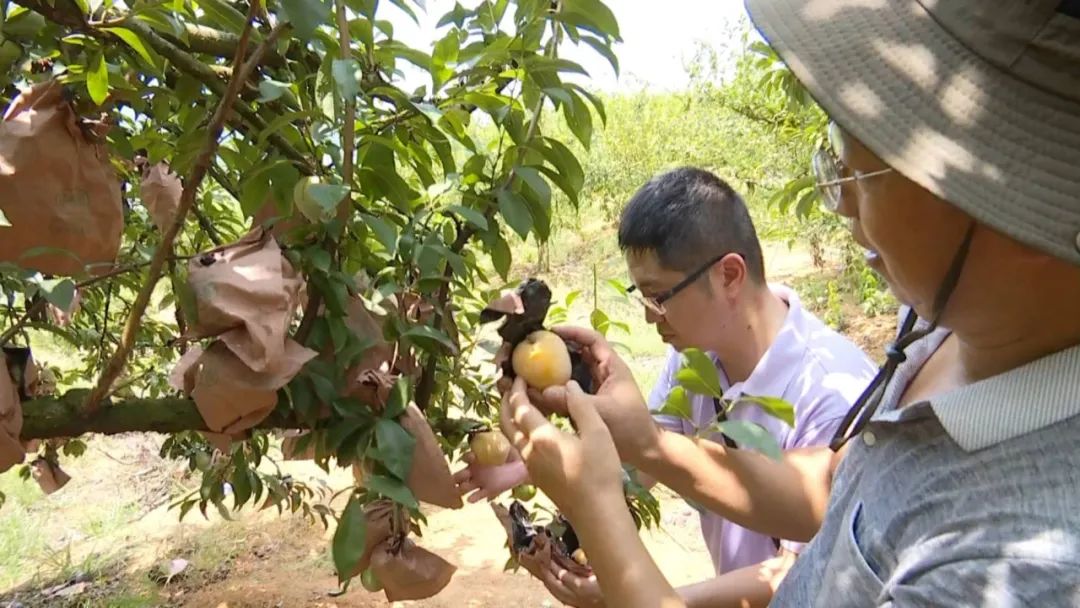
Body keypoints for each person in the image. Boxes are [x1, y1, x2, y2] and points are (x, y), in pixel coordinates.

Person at [497, 0, 1080, 606]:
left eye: (860, 170)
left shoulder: (1022, 569)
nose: (840, 201)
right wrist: (644, 443)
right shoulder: (941, 330)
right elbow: (835, 491)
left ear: (1015, 212)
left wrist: (599, 516)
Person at [455, 168, 876, 606]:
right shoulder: (694, 356)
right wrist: (523, 462)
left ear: (729, 275)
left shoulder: (831, 395)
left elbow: (806, 568)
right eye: (642, 297)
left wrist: (637, 591)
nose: (649, 317)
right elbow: (645, 460)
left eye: (658, 297)